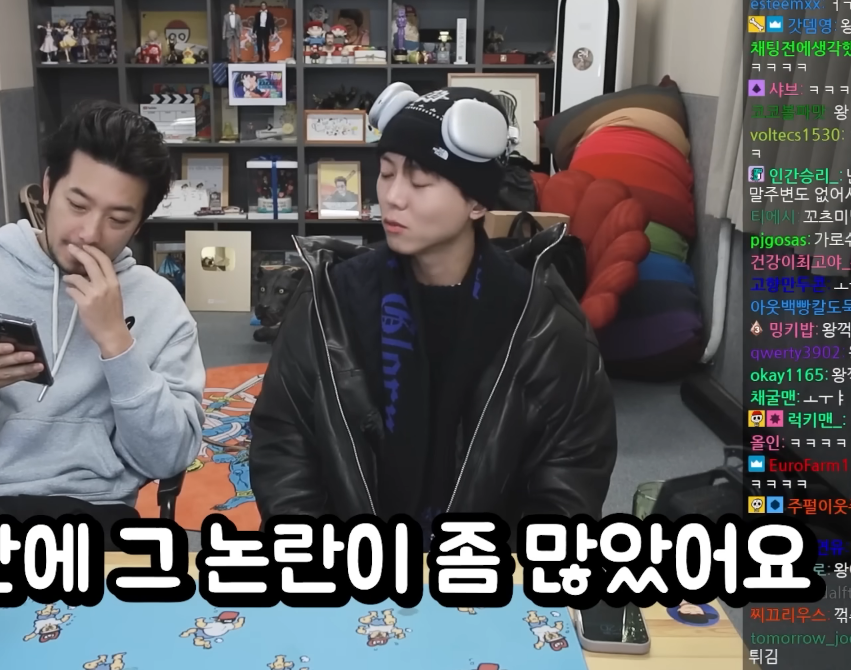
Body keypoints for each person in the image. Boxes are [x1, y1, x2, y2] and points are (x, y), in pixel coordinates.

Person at [249, 84, 617, 545]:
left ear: (477, 202)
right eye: (386, 173)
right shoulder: (331, 301)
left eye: (420, 181)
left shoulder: (540, 323)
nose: (393, 196)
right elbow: (283, 439)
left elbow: (572, 470)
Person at [0, 101, 206, 546]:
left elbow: (167, 458)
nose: (89, 233)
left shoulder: (158, 304)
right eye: (77, 204)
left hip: (94, 512)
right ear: (49, 187)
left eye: (117, 219)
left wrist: (118, 344)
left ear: (138, 225)